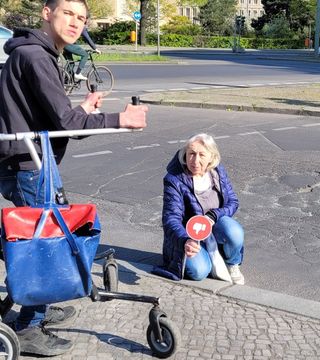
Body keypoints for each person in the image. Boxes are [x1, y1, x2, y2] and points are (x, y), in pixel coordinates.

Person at [0, 0, 148, 356]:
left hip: (26, 158)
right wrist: (119, 120)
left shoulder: (32, 53)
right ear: (46, 13)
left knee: (38, 237)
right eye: (68, 13)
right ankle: (29, 325)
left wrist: (80, 110)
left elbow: (56, 119)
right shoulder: (36, 57)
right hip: (30, 163)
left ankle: (36, 301)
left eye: (82, 18)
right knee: (45, 243)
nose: (76, 22)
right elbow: (65, 124)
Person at [153, 133, 245, 285]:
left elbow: (233, 202)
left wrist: (213, 216)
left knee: (234, 231)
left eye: (202, 155)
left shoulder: (217, 172)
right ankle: (207, 255)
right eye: (191, 154)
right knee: (199, 272)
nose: (195, 161)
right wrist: (184, 241)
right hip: (188, 236)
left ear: (211, 157)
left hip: (214, 226)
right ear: (185, 155)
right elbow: (171, 218)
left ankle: (232, 263)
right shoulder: (174, 179)